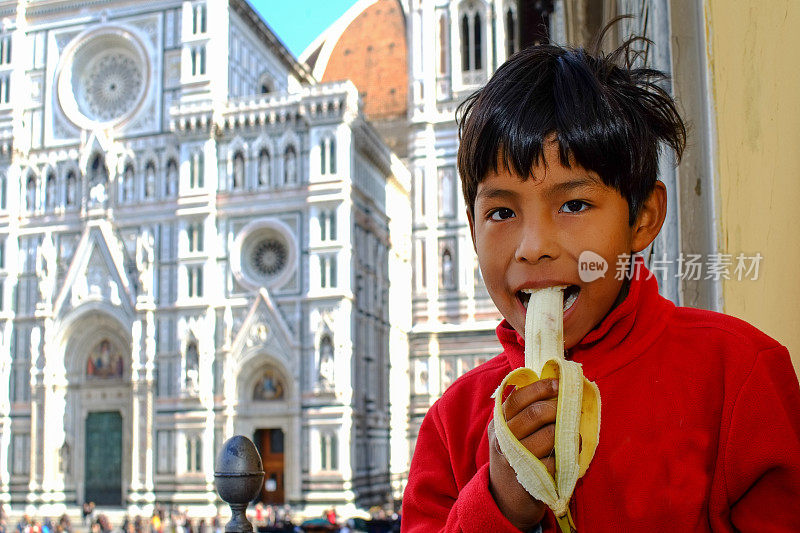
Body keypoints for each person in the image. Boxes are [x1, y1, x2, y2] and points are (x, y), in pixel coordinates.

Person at [401, 31, 800, 532]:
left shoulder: (738, 377)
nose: (533, 245)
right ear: (472, 228)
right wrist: (499, 502)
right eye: (501, 211)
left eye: (573, 204)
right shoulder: (451, 425)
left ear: (643, 218)